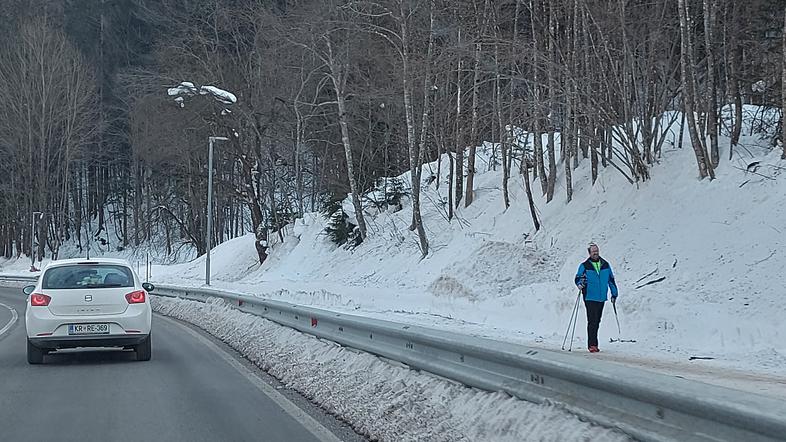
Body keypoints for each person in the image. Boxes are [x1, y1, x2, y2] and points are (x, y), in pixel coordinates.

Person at [574, 243, 618, 353]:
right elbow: (578, 277)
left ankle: (594, 344)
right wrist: (580, 284)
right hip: (589, 296)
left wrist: (614, 293)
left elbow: (611, 280)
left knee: (597, 320)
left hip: (601, 297)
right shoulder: (584, 265)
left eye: (597, 251)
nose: (596, 253)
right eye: (593, 252)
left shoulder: (605, 265)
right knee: (592, 321)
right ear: (589, 253)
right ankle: (592, 345)